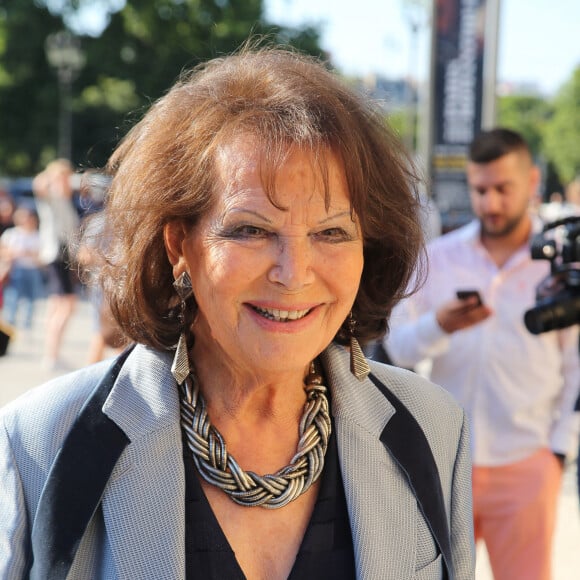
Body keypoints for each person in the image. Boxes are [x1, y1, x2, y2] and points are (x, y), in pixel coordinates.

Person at [0, 46, 474, 579]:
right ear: (179, 245)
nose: (294, 273)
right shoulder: (44, 440)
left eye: (331, 232)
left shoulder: (434, 429)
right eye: (251, 230)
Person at [385, 127, 580, 580]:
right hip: (447, 464)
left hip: (528, 464)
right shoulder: (439, 257)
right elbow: (398, 347)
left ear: (532, 182)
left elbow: (576, 368)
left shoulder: (559, 266)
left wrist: (558, 452)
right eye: (480, 190)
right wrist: (441, 325)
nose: (490, 203)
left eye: (502, 189)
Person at [32, 158, 81, 370]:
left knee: (57, 304)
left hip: (61, 254)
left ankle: (51, 353)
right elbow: (39, 185)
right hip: (57, 254)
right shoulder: (51, 197)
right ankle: (51, 355)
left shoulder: (64, 199)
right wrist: (54, 177)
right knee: (67, 305)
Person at [0, 205, 44, 330]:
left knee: (30, 298)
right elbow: (3, 250)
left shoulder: (37, 235)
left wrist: (30, 253)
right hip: (16, 269)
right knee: (13, 296)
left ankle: (26, 324)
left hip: (32, 269)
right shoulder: (11, 234)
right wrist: (15, 253)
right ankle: (10, 322)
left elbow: (42, 254)